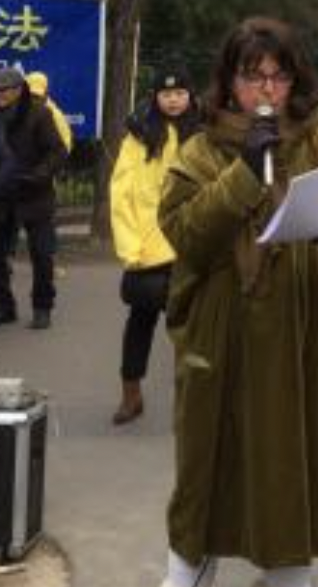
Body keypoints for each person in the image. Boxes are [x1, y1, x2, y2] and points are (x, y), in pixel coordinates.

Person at [156, 17, 318, 587]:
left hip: (306, 348)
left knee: (295, 491)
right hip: (222, 350)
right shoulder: (200, 153)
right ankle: (187, 574)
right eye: (252, 76)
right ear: (228, 82)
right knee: (203, 490)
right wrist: (244, 173)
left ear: (296, 81)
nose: (266, 90)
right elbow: (186, 235)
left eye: (278, 76)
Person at [109, 67, 200, 426]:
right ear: (155, 98)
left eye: (180, 93)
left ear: (190, 95)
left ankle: (193, 398)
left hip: (193, 241)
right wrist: (130, 248)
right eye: (166, 94)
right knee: (140, 319)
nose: (174, 100)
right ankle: (131, 394)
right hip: (149, 245)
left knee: (194, 325)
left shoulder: (205, 132)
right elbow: (121, 191)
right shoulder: (139, 134)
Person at [0, 68, 68, 330]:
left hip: (34, 194)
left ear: (19, 90)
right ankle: (4, 306)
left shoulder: (39, 113)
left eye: (3, 90)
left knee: (42, 254)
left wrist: (38, 175)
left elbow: (57, 151)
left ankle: (43, 307)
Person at [26, 71, 73, 152]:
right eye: (32, 95)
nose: (34, 99)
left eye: (37, 96)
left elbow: (65, 145)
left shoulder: (53, 113)